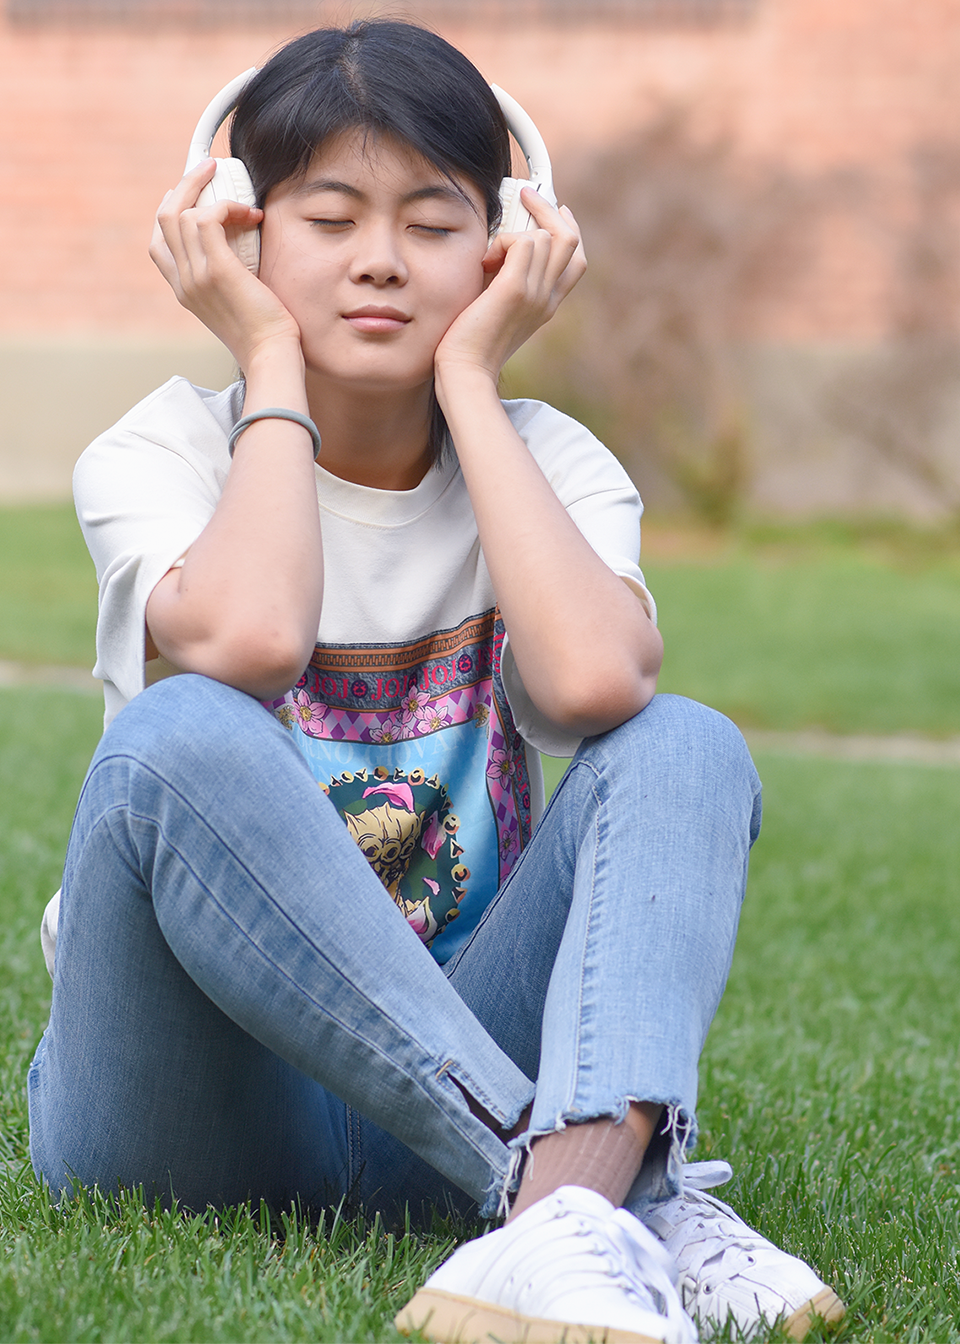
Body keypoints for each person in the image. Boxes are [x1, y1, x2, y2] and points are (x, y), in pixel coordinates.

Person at [28, 20, 845, 1344]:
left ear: (511, 241)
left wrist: (472, 375)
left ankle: (552, 1219)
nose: (379, 260)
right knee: (177, 732)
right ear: (240, 235)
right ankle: (600, 1191)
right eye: (330, 215)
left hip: (447, 1078)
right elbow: (241, 647)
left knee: (684, 740)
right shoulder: (158, 450)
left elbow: (593, 684)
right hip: (193, 1109)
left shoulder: (546, 462)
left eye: (432, 219)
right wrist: (271, 356)